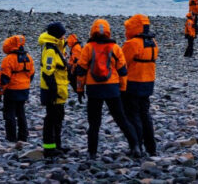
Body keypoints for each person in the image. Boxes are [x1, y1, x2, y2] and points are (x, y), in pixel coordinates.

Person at [76, 19, 139, 159]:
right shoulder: (115, 48)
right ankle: (135, 146)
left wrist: (80, 90)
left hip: (93, 89)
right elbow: (123, 71)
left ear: (92, 31)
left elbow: (80, 71)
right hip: (112, 87)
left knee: (94, 123)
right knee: (121, 119)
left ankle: (92, 153)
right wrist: (122, 89)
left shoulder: (88, 47)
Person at [121, 14, 158, 156]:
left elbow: (122, 63)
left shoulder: (132, 44)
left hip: (132, 83)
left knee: (133, 115)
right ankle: (151, 147)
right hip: (148, 83)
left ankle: (137, 146)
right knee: (145, 115)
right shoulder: (153, 42)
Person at [39, 22, 69, 158]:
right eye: (63, 33)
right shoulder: (51, 49)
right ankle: (49, 148)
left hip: (59, 90)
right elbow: (48, 72)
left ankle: (57, 145)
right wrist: (53, 91)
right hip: (52, 91)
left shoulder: (57, 48)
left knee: (58, 118)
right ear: (57, 35)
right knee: (51, 118)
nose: (64, 36)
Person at [0, 35, 35, 142]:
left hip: (11, 90)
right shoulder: (29, 58)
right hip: (24, 90)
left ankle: (11, 137)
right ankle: (23, 136)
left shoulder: (8, 59)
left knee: (9, 114)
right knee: (21, 113)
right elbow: (31, 75)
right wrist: (25, 85)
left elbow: (4, 78)